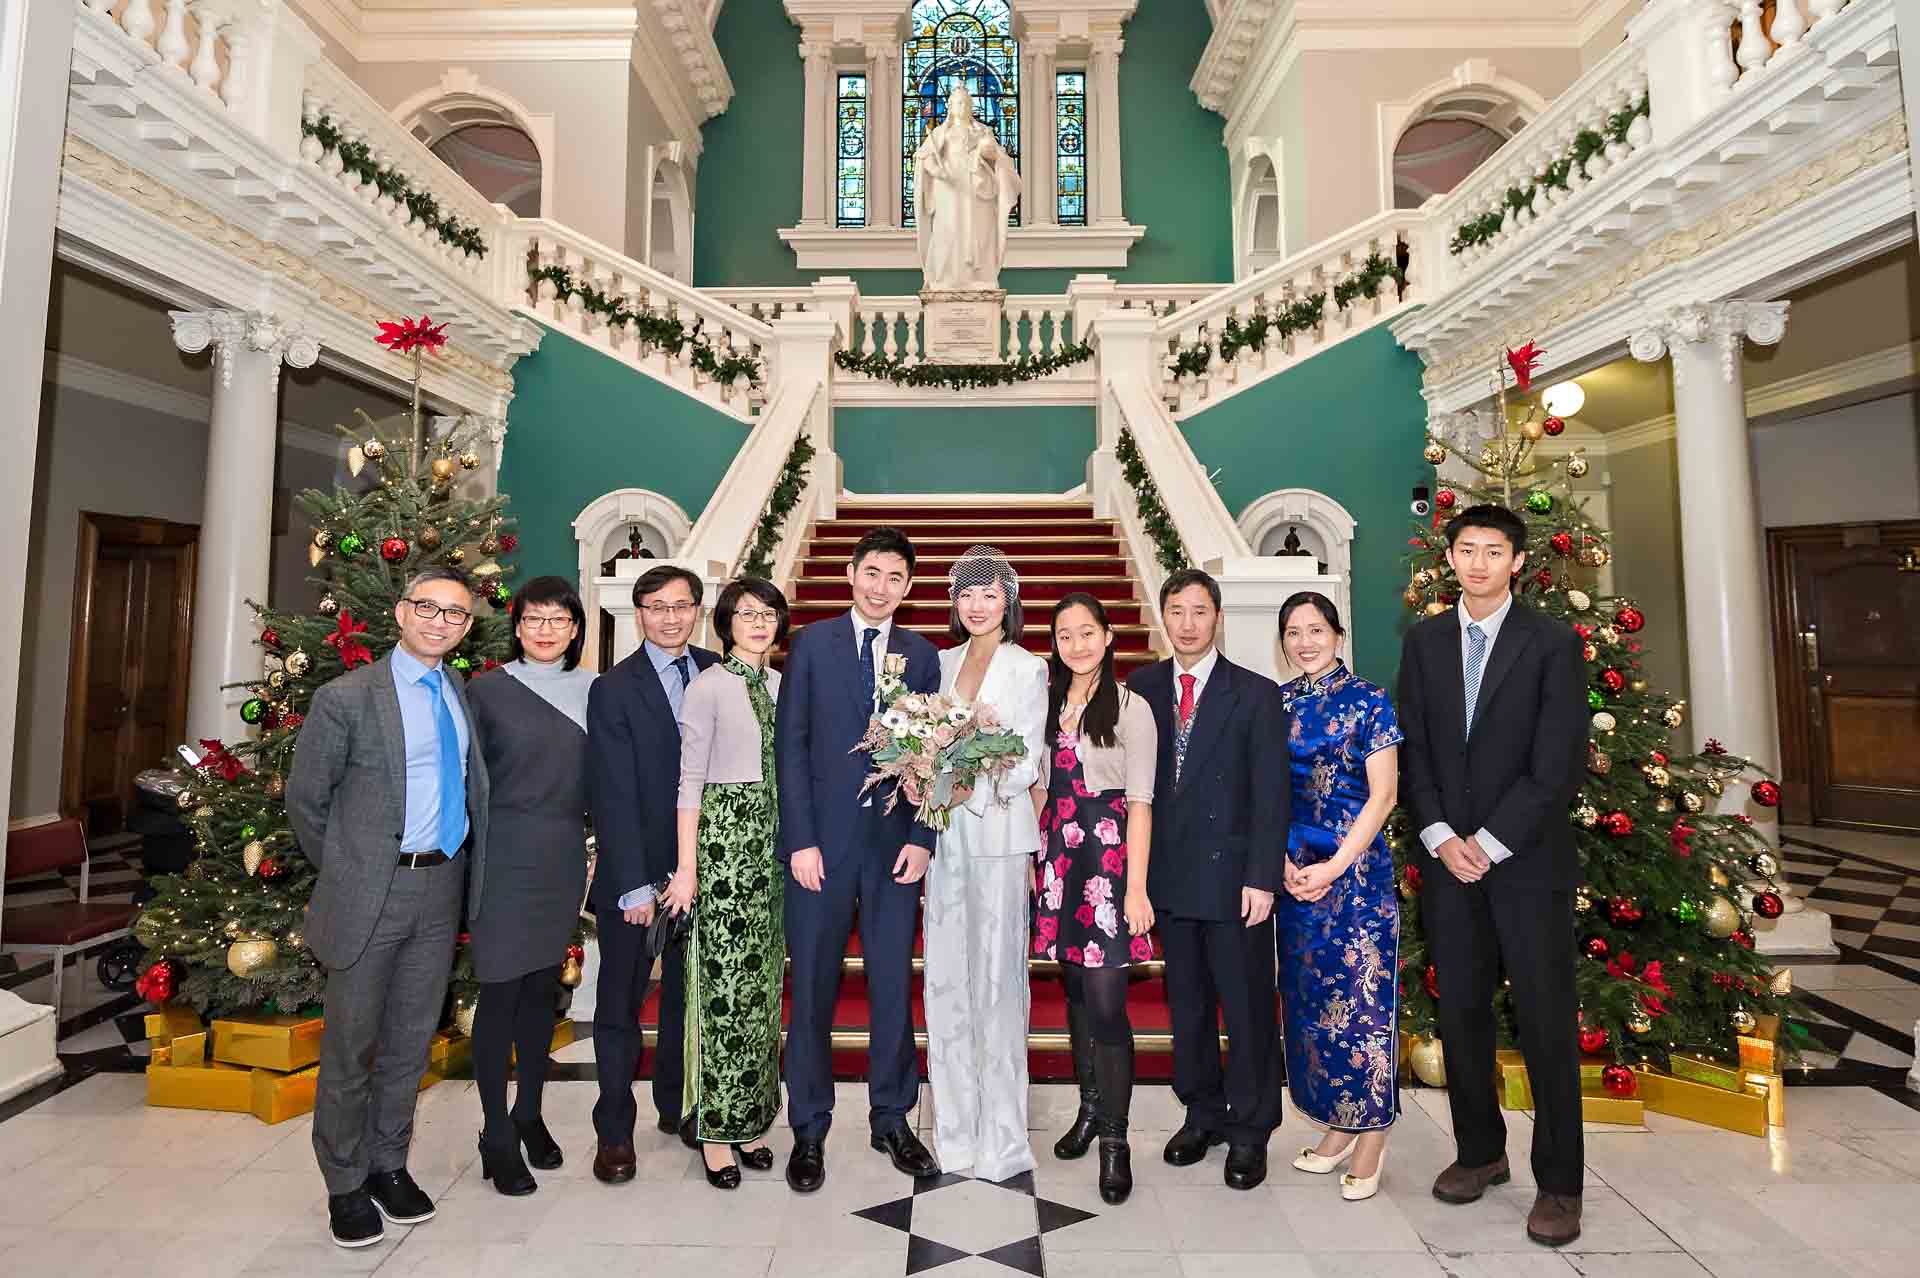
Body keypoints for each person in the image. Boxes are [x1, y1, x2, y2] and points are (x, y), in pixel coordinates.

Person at [1397, 503, 1588, 1247]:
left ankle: (1562, 1184)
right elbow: (1412, 746)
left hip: (1526, 864)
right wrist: (1443, 836)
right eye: (1466, 550)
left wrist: (1492, 839)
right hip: (1449, 864)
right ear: (1449, 560)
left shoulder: (1550, 642)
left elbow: (1557, 762)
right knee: (1463, 1015)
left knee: (1544, 1021)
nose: (1477, 563)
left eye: (1492, 551)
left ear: (1516, 562)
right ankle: (1479, 1153)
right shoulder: (1425, 642)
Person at [288, 566, 490, 1249]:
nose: (440, 622)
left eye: (455, 614)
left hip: (440, 890)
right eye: (428, 608)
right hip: (369, 892)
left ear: (467, 628)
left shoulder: (456, 690)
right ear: (402, 612)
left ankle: (388, 1164)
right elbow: (306, 802)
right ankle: (344, 1184)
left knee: (409, 1042)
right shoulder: (347, 697)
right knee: (351, 1047)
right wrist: (352, 872)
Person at [775, 526, 942, 1193]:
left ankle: (892, 1117)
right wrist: (801, 841)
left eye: (895, 577)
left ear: (907, 586)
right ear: (851, 573)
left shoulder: (921, 654)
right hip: (822, 849)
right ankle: (809, 1127)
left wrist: (924, 837)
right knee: (812, 988)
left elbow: (939, 756)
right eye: (872, 572)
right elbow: (792, 746)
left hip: (893, 851)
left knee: (891, 990)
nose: (881, 587)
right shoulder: (812, 646)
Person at [1128, 568, 1289, 1191]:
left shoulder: (1254, 693)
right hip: (1169, 879)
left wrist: (1262, 877)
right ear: (1163, 616)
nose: (1187, 623)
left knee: (1246, 1009)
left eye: (1199, 611)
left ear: (1216, 617)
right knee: (1187, 1007)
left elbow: (1271, 797)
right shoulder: (1138, 689)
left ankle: (1251, 1131)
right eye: (1176, 611)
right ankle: (1202, 1112)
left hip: (1235, 883)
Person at [586, 565, 720, 1184]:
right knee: (620, 1003)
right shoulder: (613, 688)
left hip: (705, 870)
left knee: (691, 1001)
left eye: (682, 606)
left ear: (698, 610)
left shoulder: (720, 674)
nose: (671, 617)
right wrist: (635, 883)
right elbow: (611, 793)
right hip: (635, 876)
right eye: (657, 607)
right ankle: (614, 1129)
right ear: (639, 614)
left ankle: (680, 1106)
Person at [463, 576, 596, 1196]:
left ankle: (530, 1112)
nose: (546, 630)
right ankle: (495, 1132)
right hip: (501, 859)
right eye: (534, 619)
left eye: (559, 619)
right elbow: (465, 781)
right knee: (500, 993)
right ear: (516, 627)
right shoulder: (486, 692)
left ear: (576, 629)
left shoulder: (596, 691)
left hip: (562, 857)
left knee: (543, 992)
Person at [926, 547, 1049, 1183]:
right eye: (966, 594)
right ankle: (954, 1128)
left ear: (1008, 601)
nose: (977, 605)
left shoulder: (1029, 668)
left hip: (999, 831)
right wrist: (926, 766)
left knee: (999, 980)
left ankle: (1001, 1134)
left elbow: (1028, 758)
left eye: (989, 594)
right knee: (947, 976)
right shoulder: (939, 662)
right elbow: (919, 741)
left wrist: (968, 769)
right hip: (944, 837)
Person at [1273, 592, 1402, 1203]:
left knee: (1363, 1008)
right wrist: (1285, 863)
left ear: (1338, 634)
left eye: (1316, 629)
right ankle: (1336, 1127)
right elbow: (1268, 794)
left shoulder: (1371, 700)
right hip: (1297, 877)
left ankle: (1372, 1137)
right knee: (1312, 1007)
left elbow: (1383, 796)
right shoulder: (1279, 702)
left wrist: (1335, 866)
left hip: (1356, 878)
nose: (1305, 642)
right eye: (1294, 632)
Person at [661, 577, 789, 1189]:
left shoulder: (778, 684)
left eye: (768, 614)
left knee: (761, 991)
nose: (758, 623)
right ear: (726, 622)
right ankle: (714, 1130)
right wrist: (687, 870)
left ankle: (754, 1119)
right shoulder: (708, 687)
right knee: (720, 994)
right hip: (721, 847)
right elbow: (688, 785)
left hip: (769, 850)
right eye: (746, 614)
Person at [1035, 593, 1158, 1204]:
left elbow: (1140, 805)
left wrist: (1136, 888)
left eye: (1088, 633)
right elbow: (1039, 788)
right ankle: (1088, 1109)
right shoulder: (1049, 705)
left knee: (1108, 1003)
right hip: (1059, 862)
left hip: (1107, 869)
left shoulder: (1133, 709)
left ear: (1109, 638)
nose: (1077, 644)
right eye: (1065, 635)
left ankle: (1116, 1140)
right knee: (1077, 990)